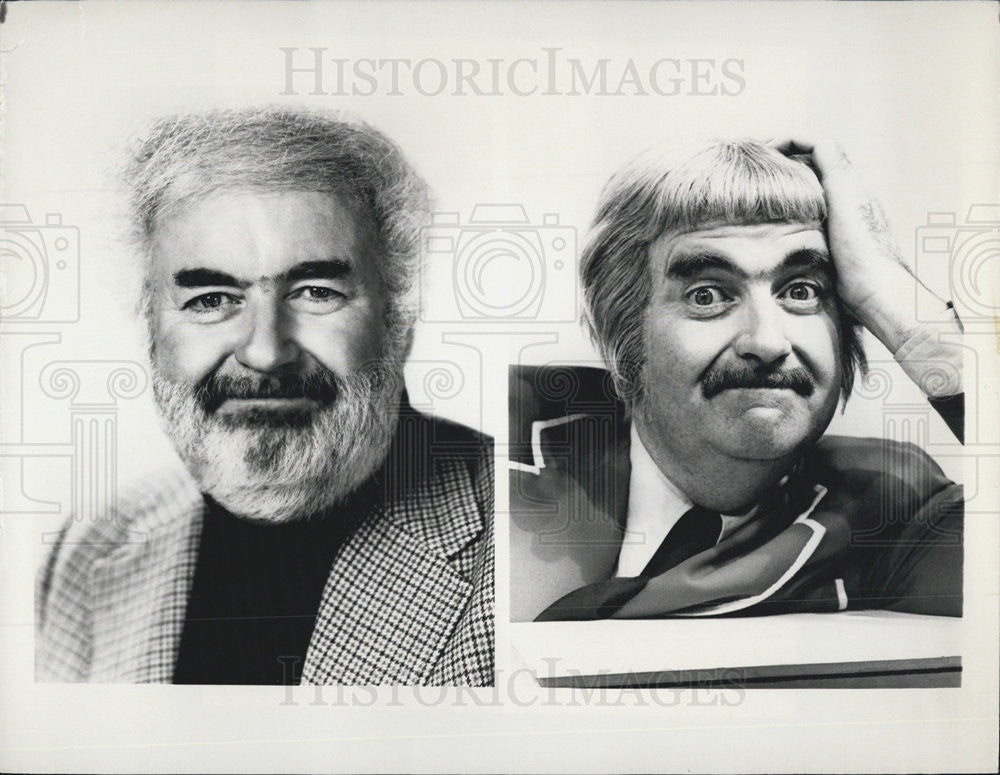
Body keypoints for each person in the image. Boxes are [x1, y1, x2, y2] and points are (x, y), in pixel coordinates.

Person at [36, 107, 494, 685]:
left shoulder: (518, 550)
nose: (265, 352)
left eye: (315, 292)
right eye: (210, 299)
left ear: (399, 319)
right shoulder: (96, 542)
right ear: (150, 329)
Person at [509, 139, 963, 622]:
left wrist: (917, 328)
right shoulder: (504, 428)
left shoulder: (888, 500)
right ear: (625, 326)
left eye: (802, 291)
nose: (767, 342)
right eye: (706, 296)